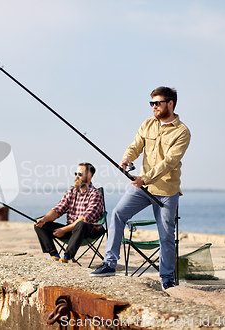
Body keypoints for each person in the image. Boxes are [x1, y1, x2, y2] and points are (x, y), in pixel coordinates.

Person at [90, 86, 191, 289]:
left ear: (170, 104)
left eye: (158, 103)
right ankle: (110, 264)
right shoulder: (147, 124)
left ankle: (167, 278)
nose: (153, 106)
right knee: (118, 214)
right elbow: (136, 145)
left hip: (166, 192)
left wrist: (145, 178)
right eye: (151, 103)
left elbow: (170, 162)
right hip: (142, 187)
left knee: (166, 235)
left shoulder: (182, 132)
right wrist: (127, 158)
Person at [34, 162, 104, 263]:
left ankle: (67, 256)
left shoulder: (96, 194)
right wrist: (44, 219)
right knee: (39, 224)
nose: (77, 177)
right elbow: (58, 210)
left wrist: (63, 230)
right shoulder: (71, 192)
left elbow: (85, 219)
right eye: (75, 174)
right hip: (70, 230)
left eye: (80, 174)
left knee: (81, 224)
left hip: (88, 231)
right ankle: (54, 254)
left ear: (89, 175)